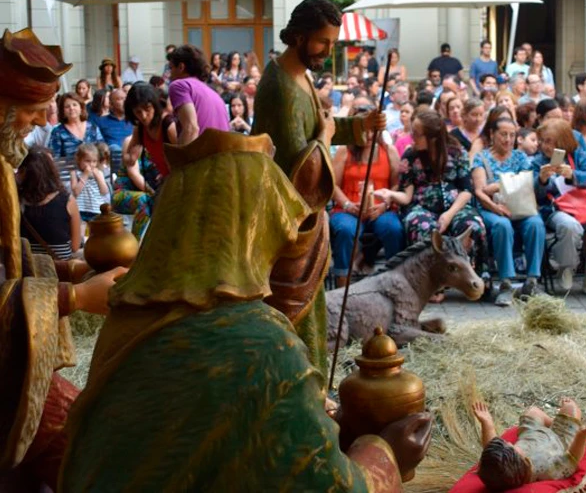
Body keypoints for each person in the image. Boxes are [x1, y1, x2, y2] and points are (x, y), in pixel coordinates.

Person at [61, 129, 430, 492]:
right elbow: (336, 487)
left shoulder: (130, 317)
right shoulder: (261, 346)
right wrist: (385, 453)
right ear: (256, 231)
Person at [0, 28, 126, 491]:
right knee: (89, 452)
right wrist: (73, 297)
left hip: (21, 372)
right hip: (7, 382)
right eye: (31, 112)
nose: (37, 125)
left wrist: (72, 268)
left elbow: (9, 261)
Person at [251, 0, 386, 376]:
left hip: (305, 221)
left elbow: (319, 129)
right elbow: (301, 170)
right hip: (288, 222)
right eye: (322, 43)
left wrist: (360, 125)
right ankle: (296, 386)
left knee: (311, 311)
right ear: (298, 36)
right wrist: (327, 135)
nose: (328, 52)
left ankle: (311, 384)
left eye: (332, 43)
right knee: (295, 313)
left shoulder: (300, 76)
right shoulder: (280, 88)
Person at [377, 109, 487, 291]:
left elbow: (466, 190)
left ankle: (476, 279)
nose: (412, 137)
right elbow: (407, 196)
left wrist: (449, 215)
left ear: (433, 137)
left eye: (417, 134)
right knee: (424, 229)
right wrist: (390, 194)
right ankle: (431, 285)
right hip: (422, 207)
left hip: (456, 207)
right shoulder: (410, 156)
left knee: (474, 226)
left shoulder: (456, 152)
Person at [533, 119, 586, 294]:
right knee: (569, 226)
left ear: (561, 141)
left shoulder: (576, 154)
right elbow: (536, 196)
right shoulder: (537, 162)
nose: (545, 146)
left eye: (549, 141)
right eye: (542, 141)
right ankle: (567, 266)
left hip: (585, 204)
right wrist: (542, 180)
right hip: (557, 208)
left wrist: (573, 174)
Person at [472, 117, 545, 306]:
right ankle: (506, 284)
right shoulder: (482, 158)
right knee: (502, 225)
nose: (508, 139)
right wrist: (496, 207)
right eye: (503, 134)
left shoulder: (519, 157)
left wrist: (496, 185)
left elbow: (526, 183)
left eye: (512, 135)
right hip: (491, 209)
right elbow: (480, 192)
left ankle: (531, 281)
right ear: (492, 134)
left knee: (536, 223)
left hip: (518, 206)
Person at [330, 109, 404, 288]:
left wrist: (385, 204)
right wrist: (347, 205)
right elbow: (332, 184)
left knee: (393, 229)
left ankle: (395, 280)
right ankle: (342, 280)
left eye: (373, 130)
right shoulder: (344, 151)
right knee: (345, 230)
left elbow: (396, 185)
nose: (369, 135)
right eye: (365, 130)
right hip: (349, 208)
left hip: (380, 208)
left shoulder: (389, 151)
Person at [472, 399, 586, 490]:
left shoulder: (504, 463)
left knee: (532, 411)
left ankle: (552, 423)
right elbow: (573, 457)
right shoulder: (548, 472)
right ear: (520, 461)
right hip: (560, 440)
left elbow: (491, 446)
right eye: (511, 446)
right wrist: (582, 436)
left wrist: (487, 422)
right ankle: (569, 427)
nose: (510, 442)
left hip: (531, 433)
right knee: (571, 408)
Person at [17, 146, 80, 260]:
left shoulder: (17, 201)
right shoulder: (68, 200)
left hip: (27, 267)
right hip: (59, 268)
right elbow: (75, 246)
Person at [167, 44, 231, 144]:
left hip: (201, 157)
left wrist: (181, 158)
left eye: (171, 68)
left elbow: (191, 128)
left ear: (181, 67)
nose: (169, 74)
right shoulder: (214, 93)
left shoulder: (178, 85)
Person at [123, 83, 178, 178]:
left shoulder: (169, 126)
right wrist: (131, 158)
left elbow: (186, 159)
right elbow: (126, 158)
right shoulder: (139, 128)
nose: (143, 116)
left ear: (155, 105)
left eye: (147, 109)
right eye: (138, 112)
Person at [111, 146, 158, 240]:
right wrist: (155, 194)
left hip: (150, 194)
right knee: (144, 199)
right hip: (122, 193)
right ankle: (135, 243)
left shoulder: (162, 149)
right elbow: (134, 174)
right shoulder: (135, 145)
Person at [48, 92, 103, 159]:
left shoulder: (93, 128)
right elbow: (55, 158)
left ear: (81, 108)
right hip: (69, 168)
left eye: (75, 105)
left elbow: (101, 151)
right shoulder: (58, 132)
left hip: (94, 167)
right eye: (67, 106)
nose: (71, 108)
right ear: (63, 111)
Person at [70, 143, 109, 223]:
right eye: (87, 161)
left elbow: (104, 191)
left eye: (94, 161)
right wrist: (85, 175)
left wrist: (98, 177)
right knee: (81, 233)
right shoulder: (74, 173)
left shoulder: (99, 173)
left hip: (96, 209)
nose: (91, 164)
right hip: (80, 209)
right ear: (79, 159)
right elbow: (75, 192)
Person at [94, 88, 131, 169]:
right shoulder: (101, 121)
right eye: (119, 99)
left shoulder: (134, 121)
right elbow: (99, 145)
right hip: (113, 161)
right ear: (111, 104)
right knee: (114, 148)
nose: (124, 101)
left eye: (125, 98)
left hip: (133, 156)